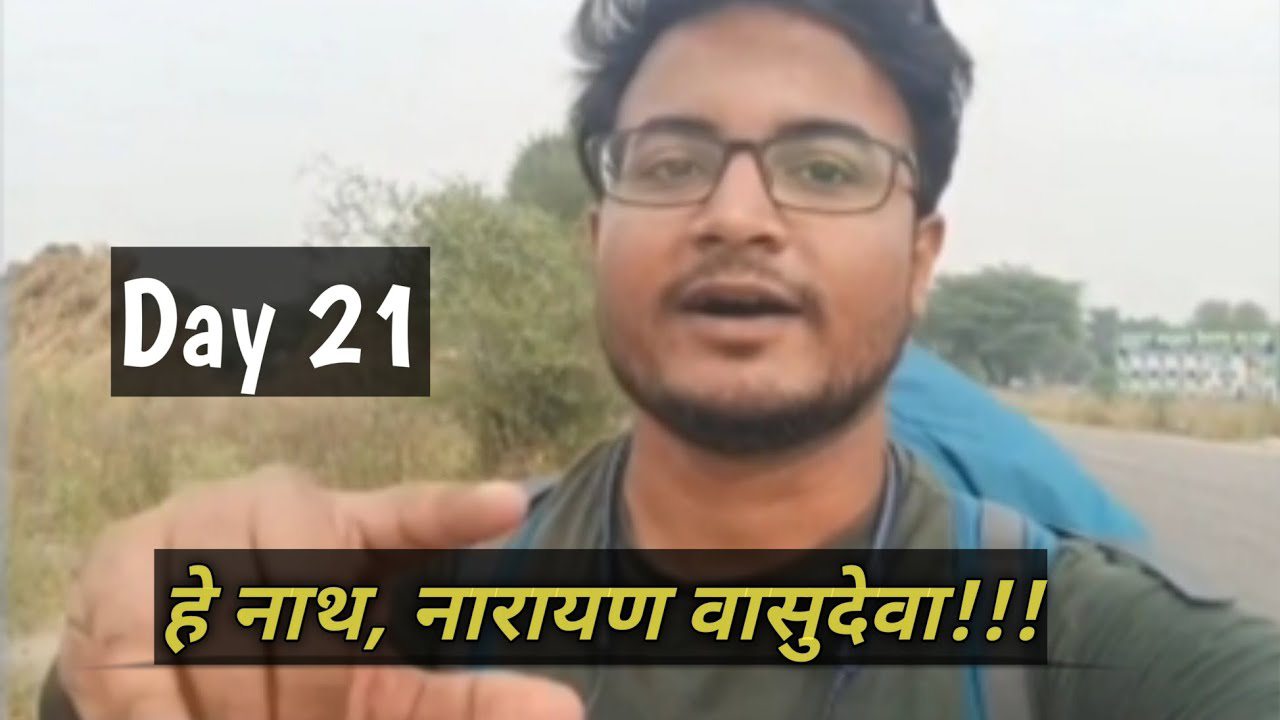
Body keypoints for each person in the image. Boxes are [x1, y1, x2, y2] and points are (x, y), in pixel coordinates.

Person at [39, 0, 1278, 719]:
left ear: (919, 257)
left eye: (825, 168)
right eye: (672, 162)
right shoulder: (405, 622)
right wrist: (113, 655)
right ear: (596, 241)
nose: (737, 213)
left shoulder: (1081, 650)